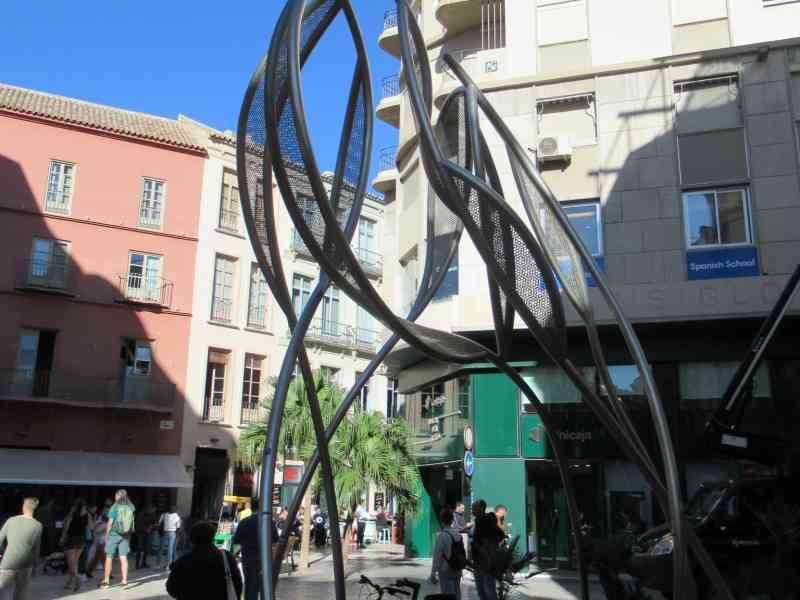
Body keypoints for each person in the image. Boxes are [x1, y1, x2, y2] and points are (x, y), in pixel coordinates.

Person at [166, 521, 242, 600]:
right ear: (213, 537)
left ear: (191, 540)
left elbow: (172, 589)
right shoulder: (226, 557)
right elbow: (237, 584)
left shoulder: (183, 561)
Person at [0, 497, 42, 600]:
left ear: (23, 506)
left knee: (1, 589)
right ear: (34, 508)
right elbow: (36, 548)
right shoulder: (38, 525)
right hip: (26, 565)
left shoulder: (11, 520)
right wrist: (36, 564)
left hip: (8, 562)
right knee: (21, 592)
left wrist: (1, 553)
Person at [233, 498, 273, 600]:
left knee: (249, 586)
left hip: (248, 558)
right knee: (265, 587)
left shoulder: (244, 522)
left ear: (251, 507)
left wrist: (235, 555)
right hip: (264, 560)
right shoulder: (268, 522)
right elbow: (275, 541)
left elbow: (236, 542)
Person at [100, 489, 135, 589]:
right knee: (123, 557)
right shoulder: (131, 506)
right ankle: (124, 581)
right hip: (126, 535)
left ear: (118, 496)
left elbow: (110, 523)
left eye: (116, 495)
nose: (115, 497)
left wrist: (107, 535)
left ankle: (106, 581)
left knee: (109, 557)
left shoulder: (115, 507)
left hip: (114, 534)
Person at [430, 508, 464, 600]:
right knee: (457, 592)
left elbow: (437, 556)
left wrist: (433, 572)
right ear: (452, 520)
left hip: (445, 570)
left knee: (447, 595)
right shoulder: (458, 535)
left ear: (441, 520)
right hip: (457, 568)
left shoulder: (442, 536)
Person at [473, 510, 505, 600]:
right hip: (483, 564)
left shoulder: (490, 535)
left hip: (486, 565)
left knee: (486, 590)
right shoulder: (490, 534)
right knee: (486, 590)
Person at [60, 498, 89, 592]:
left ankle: (77, 579)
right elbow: (91, 526)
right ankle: (68, 583)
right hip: (81, 540)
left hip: (71, 539)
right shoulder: (87, 515)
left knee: (71, 563)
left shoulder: (72, 514)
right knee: (74, 562)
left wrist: (62, 537)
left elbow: (66, 527)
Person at [85, 506, 108, 578]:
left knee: (99, 558)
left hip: (103, 542)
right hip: (99, 542)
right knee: (100, 558)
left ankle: (89, 571)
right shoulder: (100, 521)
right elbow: (95, 530)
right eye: (106, 511)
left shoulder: (106, 521)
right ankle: (89, 571)